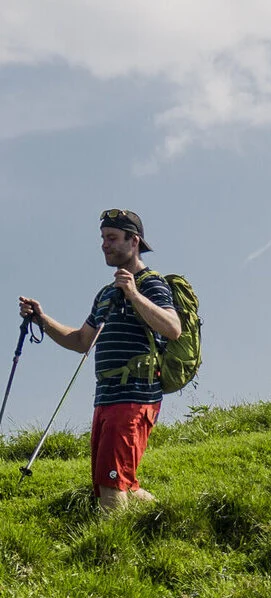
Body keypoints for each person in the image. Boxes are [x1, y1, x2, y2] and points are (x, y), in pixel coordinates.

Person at [18, 210, 180, 513]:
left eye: (112, 238)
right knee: (121, 483)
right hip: (106, 398)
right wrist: (42, 320)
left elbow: (173, 328)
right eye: (103, 238)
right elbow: (81, 341)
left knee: (110, 485)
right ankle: (168, 516)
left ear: (134, 241)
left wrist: (133, 294)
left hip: (134, 396)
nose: (105, 244)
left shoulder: (151, 283)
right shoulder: (106, 293)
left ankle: (111, 543)